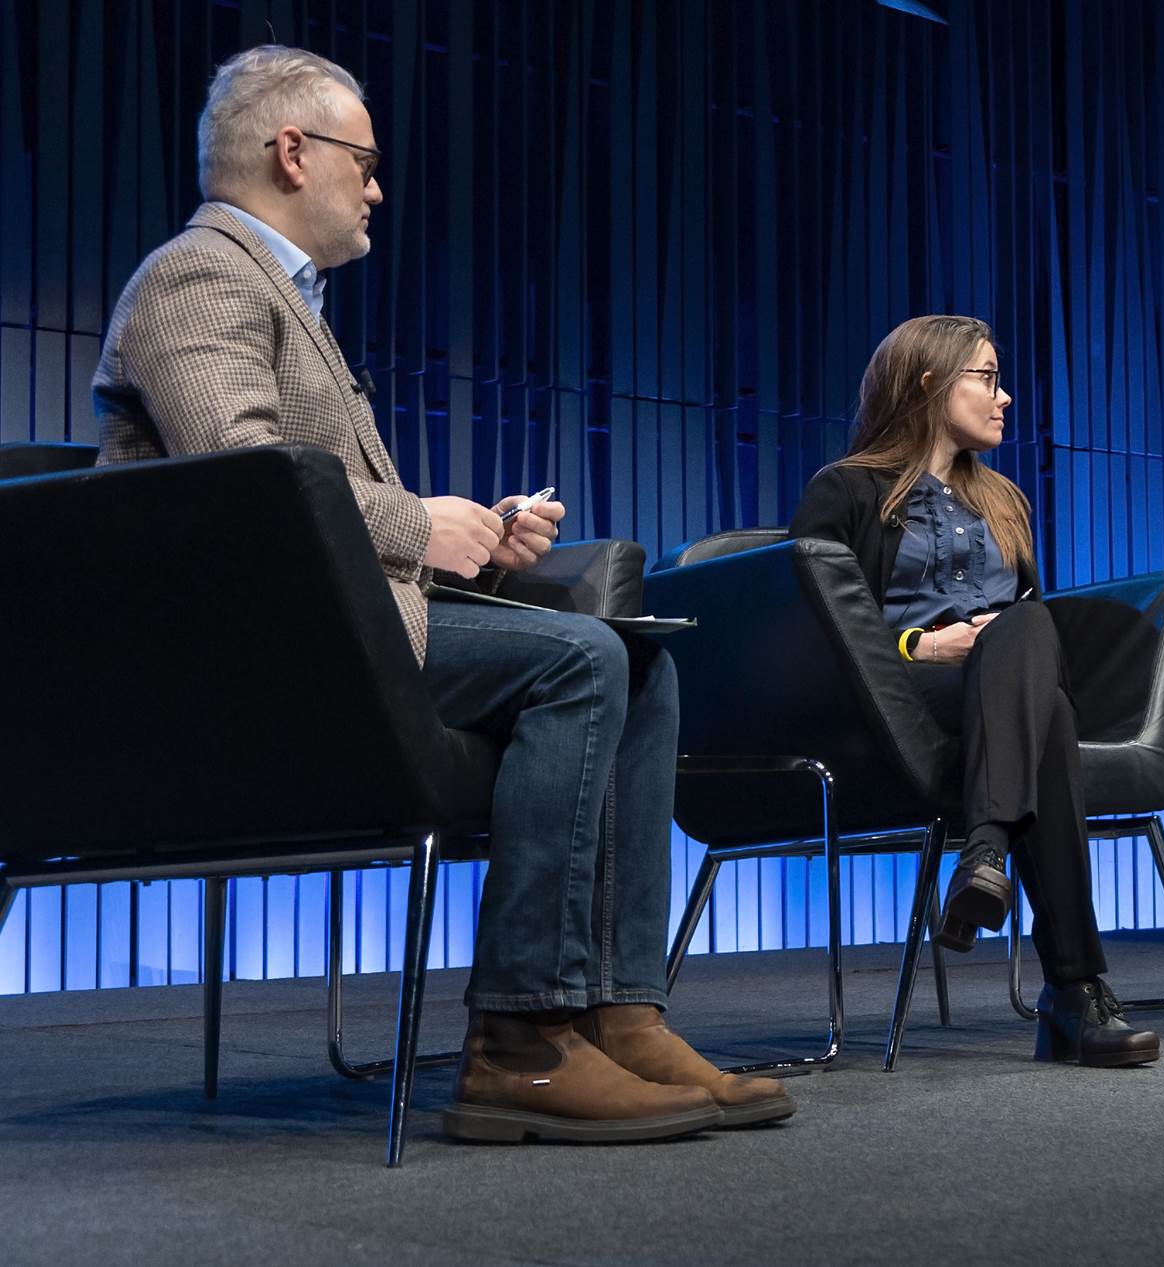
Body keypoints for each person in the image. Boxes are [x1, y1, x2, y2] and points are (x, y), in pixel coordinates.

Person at [91, 45, 793, 1139]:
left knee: (643, 664)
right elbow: (247, 489)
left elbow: (310, 503)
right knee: (583, 661)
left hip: (345, 627)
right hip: (257, 663)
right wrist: (423, 525)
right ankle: (520, 1039)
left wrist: (477, 537)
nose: (376, 188)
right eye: (363, 163)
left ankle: (621, 1011)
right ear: (291, 152)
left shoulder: (278, 294)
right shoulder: (200, 275)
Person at [791, 314, 1159, 1066]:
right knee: (1041, 697)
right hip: (892, 703)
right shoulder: (848, 491)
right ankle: (1074, 992)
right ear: (929, 383)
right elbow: (806, 634)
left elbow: (1027, 635)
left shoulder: (1005, 502)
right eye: (987, 377)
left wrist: (998, 640)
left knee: (1027, 640)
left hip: (998, 703)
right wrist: (915, 643)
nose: (1006, 397)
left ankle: (985, 854)